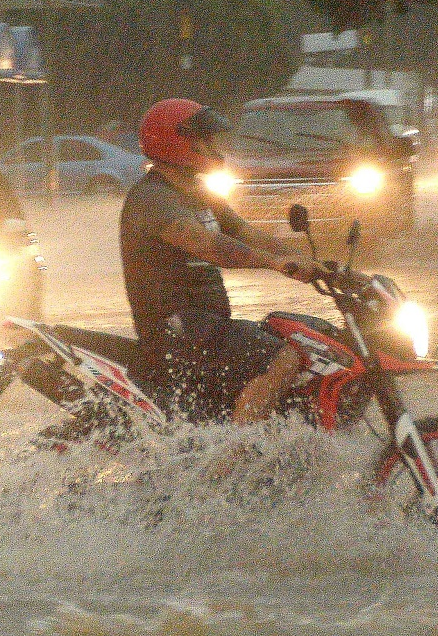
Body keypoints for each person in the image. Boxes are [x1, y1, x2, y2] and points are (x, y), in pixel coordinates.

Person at [121, 97, 322, 424]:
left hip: (207, 324)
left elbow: (244, 231)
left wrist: (313, 261)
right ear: (180, 141)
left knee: (305, 339)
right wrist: (275, 263)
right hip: (178, 327)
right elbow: (209, 245)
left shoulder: (197, 191)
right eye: (206, 138)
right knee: (288, 356)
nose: (215, 146)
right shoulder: (152, 198)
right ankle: (235, 451)